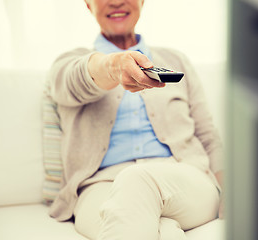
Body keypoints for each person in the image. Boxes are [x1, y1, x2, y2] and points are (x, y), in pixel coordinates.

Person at [46, 0, 224, 239]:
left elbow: (208, 137)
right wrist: (113, 65)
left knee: (136, 180)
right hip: (100, 187)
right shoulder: (68, 63)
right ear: (88, 4)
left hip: (184, 179)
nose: (117, 1)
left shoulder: (177, 61)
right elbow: (77, 79)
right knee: (164, 232)